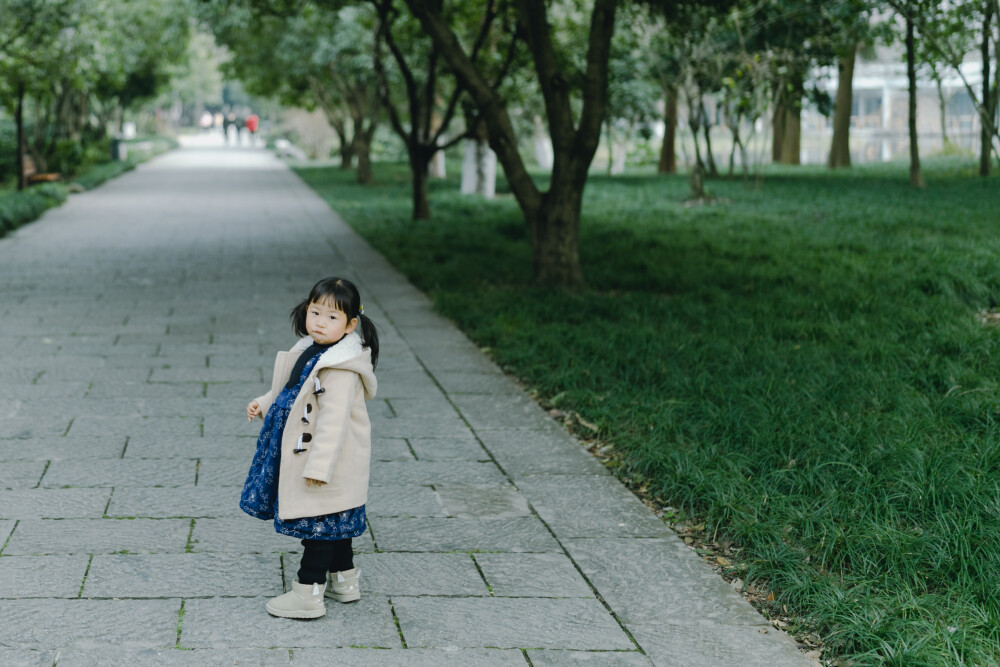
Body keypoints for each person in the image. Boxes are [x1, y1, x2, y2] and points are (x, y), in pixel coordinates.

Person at [242, 277, 379, 619]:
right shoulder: (309, 350)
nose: (319, 321)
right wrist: (264, 402)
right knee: (336, 523)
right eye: (314, 311)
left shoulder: (342, 369)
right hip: (309, 456)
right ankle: (344, 582)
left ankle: (308, 592)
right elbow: (291, 392)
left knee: (319, 526)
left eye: (331, 317)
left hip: (325, 463)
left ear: (351, 325)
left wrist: (319, 468)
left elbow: (332, 426)